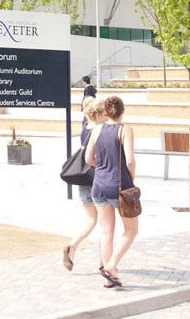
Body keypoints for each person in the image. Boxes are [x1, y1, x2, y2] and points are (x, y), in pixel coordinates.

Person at [84, 96, 137, 289]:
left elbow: (89, 158)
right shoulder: (125, 130)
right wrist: (130, 178)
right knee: (131, 230)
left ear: (106, 112)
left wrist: (103, 168)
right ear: (123, 111)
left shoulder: (96, 130)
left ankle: (109, 277)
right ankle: (111, 266)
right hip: (120, 186)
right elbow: (130, 161)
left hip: (99, 185)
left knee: (106, 231)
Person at [63, 97, 105, 272]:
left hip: (84, 178)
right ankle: (104, 262)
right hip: (99, 178)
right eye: (104, 113)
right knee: (105, 223)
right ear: (97, 114)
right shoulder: (100, 130)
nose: (107, 116)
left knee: (90, 219)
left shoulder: (85, 129)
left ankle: (72, 246)